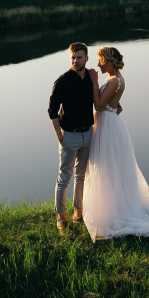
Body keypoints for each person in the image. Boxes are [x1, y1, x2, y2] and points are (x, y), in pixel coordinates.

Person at [83, 46, 149, 242]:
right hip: (108, 123)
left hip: (107, 127)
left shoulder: (114, 80)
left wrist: (93, 81)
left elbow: (99, 105)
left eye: (101, 61)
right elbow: (110, 102)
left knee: (108, 167)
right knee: (110, 168)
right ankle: (110, 206)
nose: (98, 65)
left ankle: (114, 211)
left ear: (110, 61)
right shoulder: (115, 79)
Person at [48, 41, 95, 233]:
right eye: (73, 58)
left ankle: (78, 213)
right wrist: (59, 135)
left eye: (79, 57)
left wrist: (114, 105)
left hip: (88, 134)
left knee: (81, 176)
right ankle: (60, 217)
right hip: (69, 136)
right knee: (64, 178)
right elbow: (52, 110)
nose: (76, 61)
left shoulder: (91, 78)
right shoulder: (62, 81)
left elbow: (99, 98)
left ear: (86, 58)